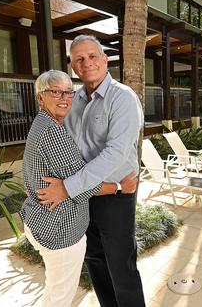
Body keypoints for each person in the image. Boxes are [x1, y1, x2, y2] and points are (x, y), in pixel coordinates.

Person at [38, 34, 146, 307]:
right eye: (79, 59)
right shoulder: (71, 101)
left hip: (116, 196)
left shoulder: (122, 98)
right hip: (84, 197)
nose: (86, 63)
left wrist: (68, 187)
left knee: (122, 267)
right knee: (95, 260)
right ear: (73, 67)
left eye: (92, 56)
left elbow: (116, 153)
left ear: (104, 60)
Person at [21, 70, 137, 307]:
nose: (64, 97)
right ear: (40, 98)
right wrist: (119, 187)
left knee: (55, 291)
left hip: (41, 220)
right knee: (59, 299)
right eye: (55, 91)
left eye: (68, 92)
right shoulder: (53, 133)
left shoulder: (44, 123)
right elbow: (83, 186)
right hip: (59, 230)